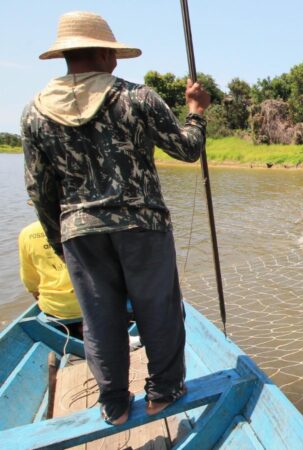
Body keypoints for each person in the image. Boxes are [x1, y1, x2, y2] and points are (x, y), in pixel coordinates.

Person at [22, 12, 211, 425]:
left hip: (79, 232)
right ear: (108, 54)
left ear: (65, 56)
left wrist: (62, 239)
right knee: (158, 309)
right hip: (142, 225)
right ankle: (163, 391)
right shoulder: (137, 98)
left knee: (99, 317)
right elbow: (186, 149)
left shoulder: (34, 114)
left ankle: (113, 403)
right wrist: (196, 111)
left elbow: (40, 190)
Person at [19, 218, 83, 338]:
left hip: (56, 308)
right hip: (95, 302)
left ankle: (77, 329)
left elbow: (30, 280)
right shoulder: (84, 223)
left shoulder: (27, 233)